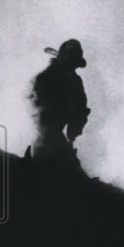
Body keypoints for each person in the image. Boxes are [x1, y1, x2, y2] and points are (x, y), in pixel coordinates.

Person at [29, 39, 90, 170]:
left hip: (52, 133)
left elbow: (80, 111)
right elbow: (33, 101)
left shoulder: (73, 81)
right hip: (46, 133)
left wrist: (73, 133)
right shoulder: (48, 77)